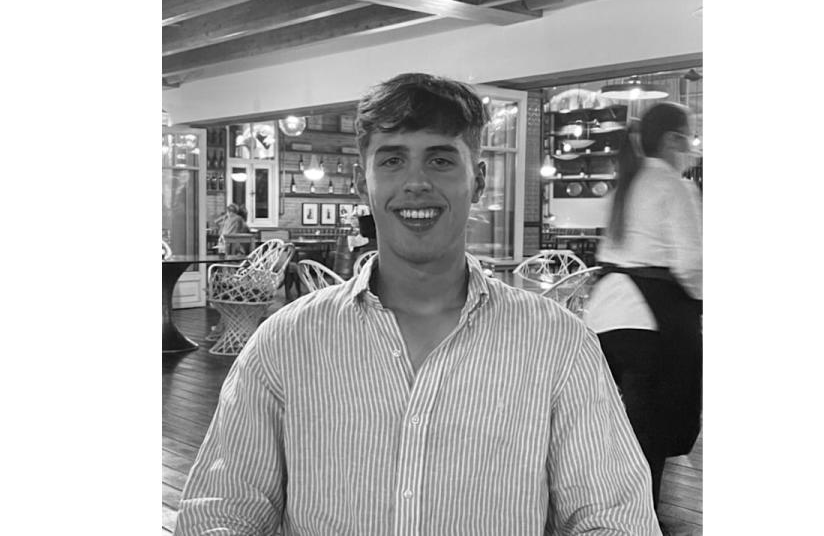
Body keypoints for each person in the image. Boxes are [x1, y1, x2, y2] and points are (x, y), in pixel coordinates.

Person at [176, 73, 660, 535]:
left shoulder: (556, 342)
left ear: (480, 180)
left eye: (440, 159)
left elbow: (613, 514)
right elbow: (224, 509)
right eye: (391, 160)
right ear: (365, 182)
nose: (415, 183)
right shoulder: (287, 342)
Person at [582, 102, 703, 521]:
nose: (690, 146)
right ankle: (639, 519)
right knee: (650, 431)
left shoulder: (624, 184)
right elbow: (691, 262)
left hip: (606, 315)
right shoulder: (673, 184)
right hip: (652, 319)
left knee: (612, 428)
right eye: (688, 137)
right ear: (672, 139)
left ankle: (601, 513)